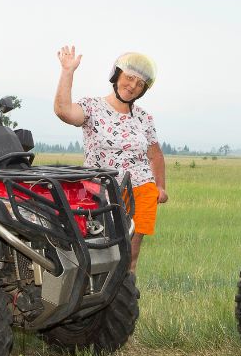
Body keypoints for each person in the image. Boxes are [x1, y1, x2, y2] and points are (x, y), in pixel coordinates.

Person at [54, 47, 167, 274]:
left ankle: (124, 303)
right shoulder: (93, 107)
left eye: (140, 84)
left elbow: (155, 154)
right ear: (116, 76)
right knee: (99, 253)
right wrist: (67, 72)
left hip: (141, 191)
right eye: (129, 78)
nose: (133, 86)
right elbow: (64, 111)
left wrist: (160, 187)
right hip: (102, 192)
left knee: (129, 259)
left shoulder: (144, 118)